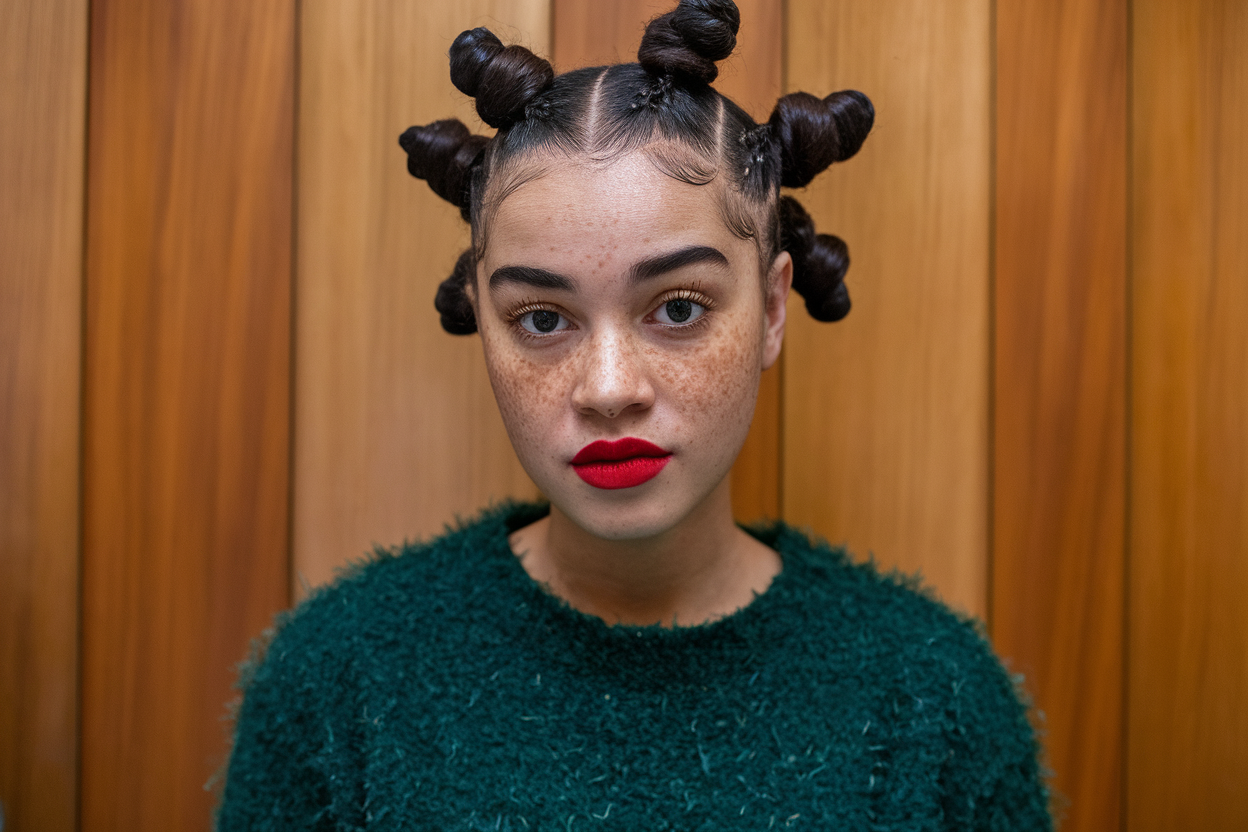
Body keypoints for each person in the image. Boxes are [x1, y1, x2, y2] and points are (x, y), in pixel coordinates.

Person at [216, 1, 1051, 829]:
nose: (609, 388)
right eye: (543, 319)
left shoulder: (934, 699)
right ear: (483, 319)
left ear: (770, 310)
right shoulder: (336, 682)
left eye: (679, 308)